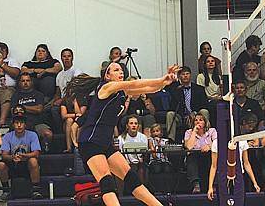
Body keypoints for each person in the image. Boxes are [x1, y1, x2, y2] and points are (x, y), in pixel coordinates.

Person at [72, 62, 179, 205]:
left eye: (122, 70)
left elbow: (147, 88)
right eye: (116, 70)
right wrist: (161, 79)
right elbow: (134, 84)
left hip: (105, 143)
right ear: (107, 76)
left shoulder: (123, 92)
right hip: (90, 143)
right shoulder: (106, 87)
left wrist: (165, 82)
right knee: (107, 182)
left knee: (132, 179)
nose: (121, 72)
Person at [207, 118, 260, 201]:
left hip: (238, 176)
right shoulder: (216, 143)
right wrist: (210, 186)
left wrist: (255, 182)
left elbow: (246, 163)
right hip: (222, 177)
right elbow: (213, 166)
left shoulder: (242, 141)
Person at [0, 106, 43, 202]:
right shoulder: (8, 136)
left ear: (25, 124)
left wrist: (24, 156)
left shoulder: (32, 135)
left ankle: (36, 190)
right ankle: (6, 191)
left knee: (33, 160)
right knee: (1, 164)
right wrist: (12, 157)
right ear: (13, 125)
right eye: (16, 123)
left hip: (27, 164)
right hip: (14, 164)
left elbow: (36, 153)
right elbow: (4, 155)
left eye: (21, 123)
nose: (19, 125)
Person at [42, 48, 83, 133]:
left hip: (73, 100)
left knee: (55, 110)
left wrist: (62, 100)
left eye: (69, 56)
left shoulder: (76, 71)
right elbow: (58, 92)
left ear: (72, 58)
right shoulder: (59, 74)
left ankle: (61, 132)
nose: (67, 58)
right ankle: (53, 131)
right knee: (45, 109)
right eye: (64, 56)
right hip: (62, 101)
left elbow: (75, 89)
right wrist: (52, 101)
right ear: (61, 59)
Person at [165, 66, 209, 143]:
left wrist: (195, 114)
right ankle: (171, 140)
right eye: (183, 74)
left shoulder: (199, 89)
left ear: (190, 75)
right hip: (181, 117)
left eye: (187, 74)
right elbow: (173, 107)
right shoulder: (175, 90)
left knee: (204, 111)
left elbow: (204, 105)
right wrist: (185, 116)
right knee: (170, 114)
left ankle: (206, 136)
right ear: (179, 76)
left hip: (196, 116)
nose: (185, 76)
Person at [11, 72, 53, 152]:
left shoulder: (38, 94)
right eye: (23, 81)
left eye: (28, 80)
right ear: (19, 83)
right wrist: (31, 108)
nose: (25, 83)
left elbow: (39, 109)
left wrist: (22, 107)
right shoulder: (15, 96)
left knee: (48, 134)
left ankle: (43, 148)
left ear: (31, 82)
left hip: (37, 123)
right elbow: (14, 112)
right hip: (21, 123)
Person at [184, 113, 217, 194]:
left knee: (214, 157)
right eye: (196, 120)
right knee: (191, 157)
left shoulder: (212, 131)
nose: (198, 122)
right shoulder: (189, 132)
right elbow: (189, 147)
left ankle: (213, 185)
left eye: (201, 120)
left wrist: (209, 146)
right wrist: (194, 132)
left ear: (205, 122)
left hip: (208, 155)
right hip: (195, 156)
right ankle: (196, 185)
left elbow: (217, 143)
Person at [117, 115, 148, 196]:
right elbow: (120, 154)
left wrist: (139, 162)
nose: (134, 125)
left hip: (138, 164)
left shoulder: (143, 137)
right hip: (125, 164)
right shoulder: (121, 138)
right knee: (118, 172)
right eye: (131, 123)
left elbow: (144, 155)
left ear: (138, 126)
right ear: (127, 126)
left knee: (142, 170)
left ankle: (142, 196)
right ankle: (120, 197)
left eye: (135, 123)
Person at [61, 76, 88, 153]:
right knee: (69, 120)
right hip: (67, 124)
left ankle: (77, 145)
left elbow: (81, 114)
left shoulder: (83, 99)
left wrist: (75, 102)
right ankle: (69, 148)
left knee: (78, 120)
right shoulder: (65, 100)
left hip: (80, 122)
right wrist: (75, 115)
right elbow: (64, 115)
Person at [196, 55, 223, 127]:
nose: (210, 63)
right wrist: (213, 98)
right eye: (208, 61)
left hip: (218, 100)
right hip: (208, 101)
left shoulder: (219, 77)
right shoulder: (201, 76)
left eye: (212, 61)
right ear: (205, 64)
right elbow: (200, 93)